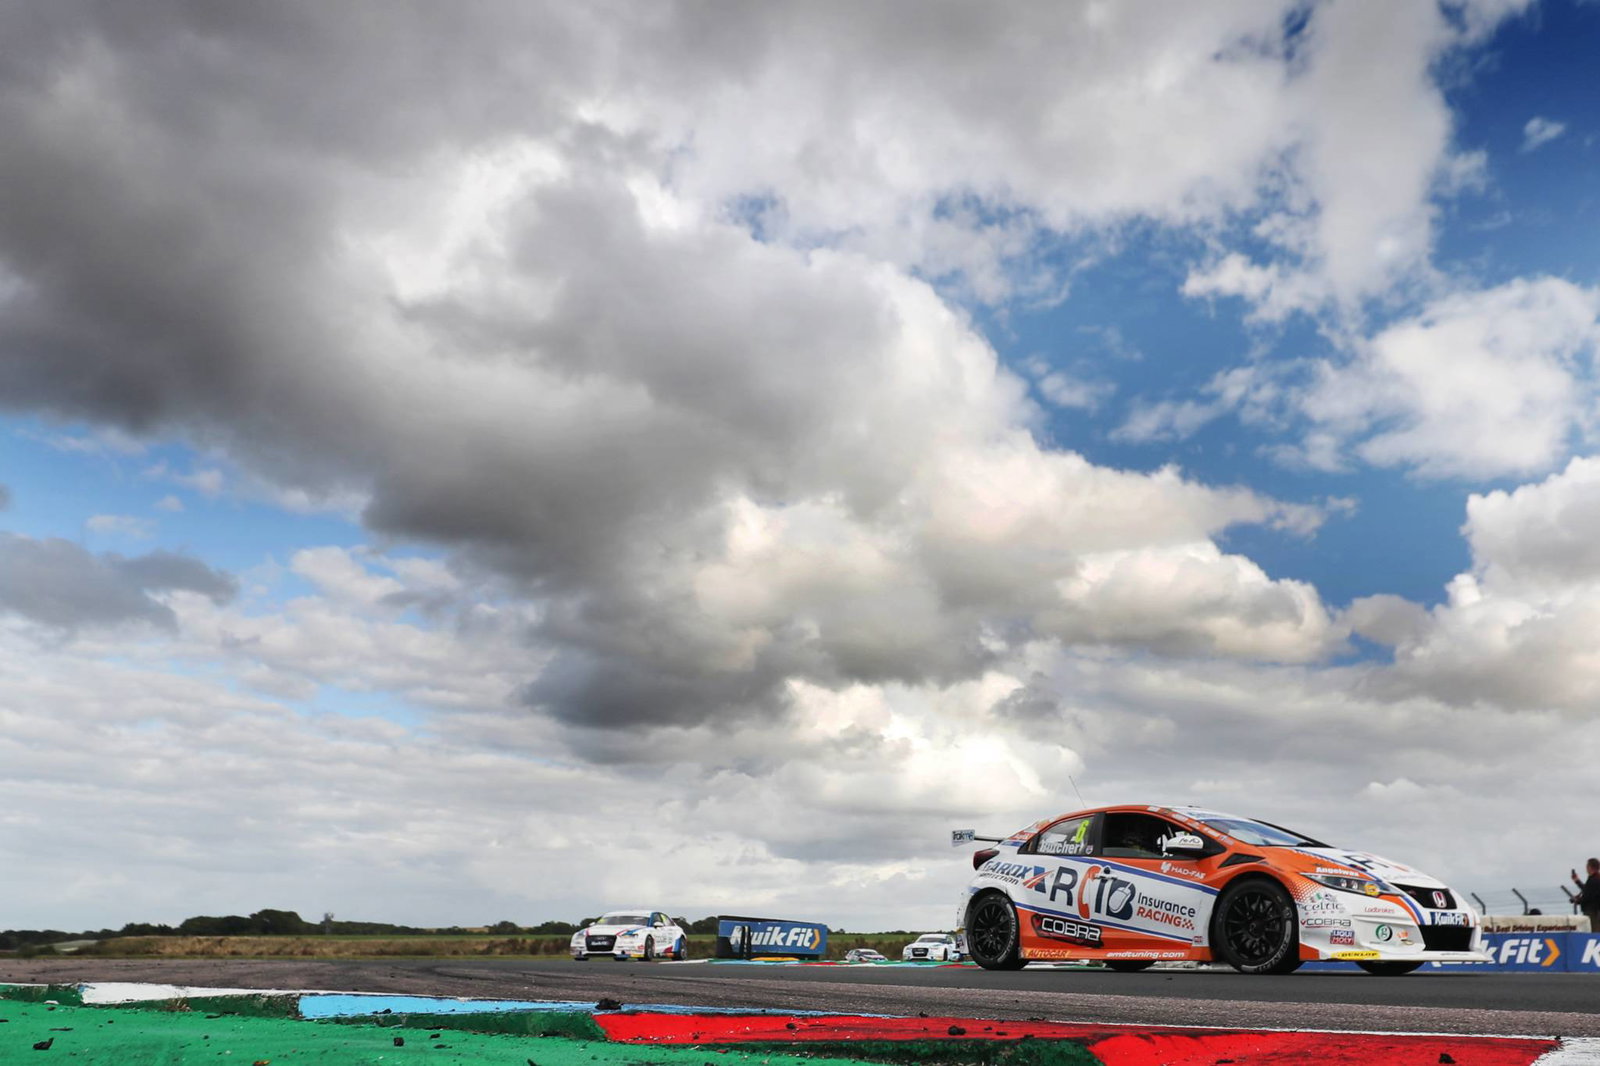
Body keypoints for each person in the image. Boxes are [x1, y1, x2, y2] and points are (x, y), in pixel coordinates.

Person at [1572, 858, 1600, 932]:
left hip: (1592, 912)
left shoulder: (1594, 880)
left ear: (1590, 867)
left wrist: (1577, 900)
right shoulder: (1595, 878)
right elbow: (1587, 890)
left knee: (1593, 932)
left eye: (1587, 866)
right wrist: (1577, 881)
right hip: (1594, 911)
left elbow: (1588, 896)